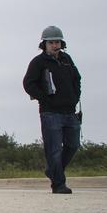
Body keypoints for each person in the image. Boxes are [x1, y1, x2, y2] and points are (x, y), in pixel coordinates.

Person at [23, 26, 82, 194]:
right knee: (54, 149)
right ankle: (58, 184)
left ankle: (53, 171)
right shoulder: (38, 62)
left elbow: (77, 78)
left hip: (70, 111)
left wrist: (75, 96)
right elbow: (28, 84)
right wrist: (45, 98)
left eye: (57, 42)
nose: (55, 45)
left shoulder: (67, 59)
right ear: (45, 44)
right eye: (51, 42)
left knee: (73, 145)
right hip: (50, 113)